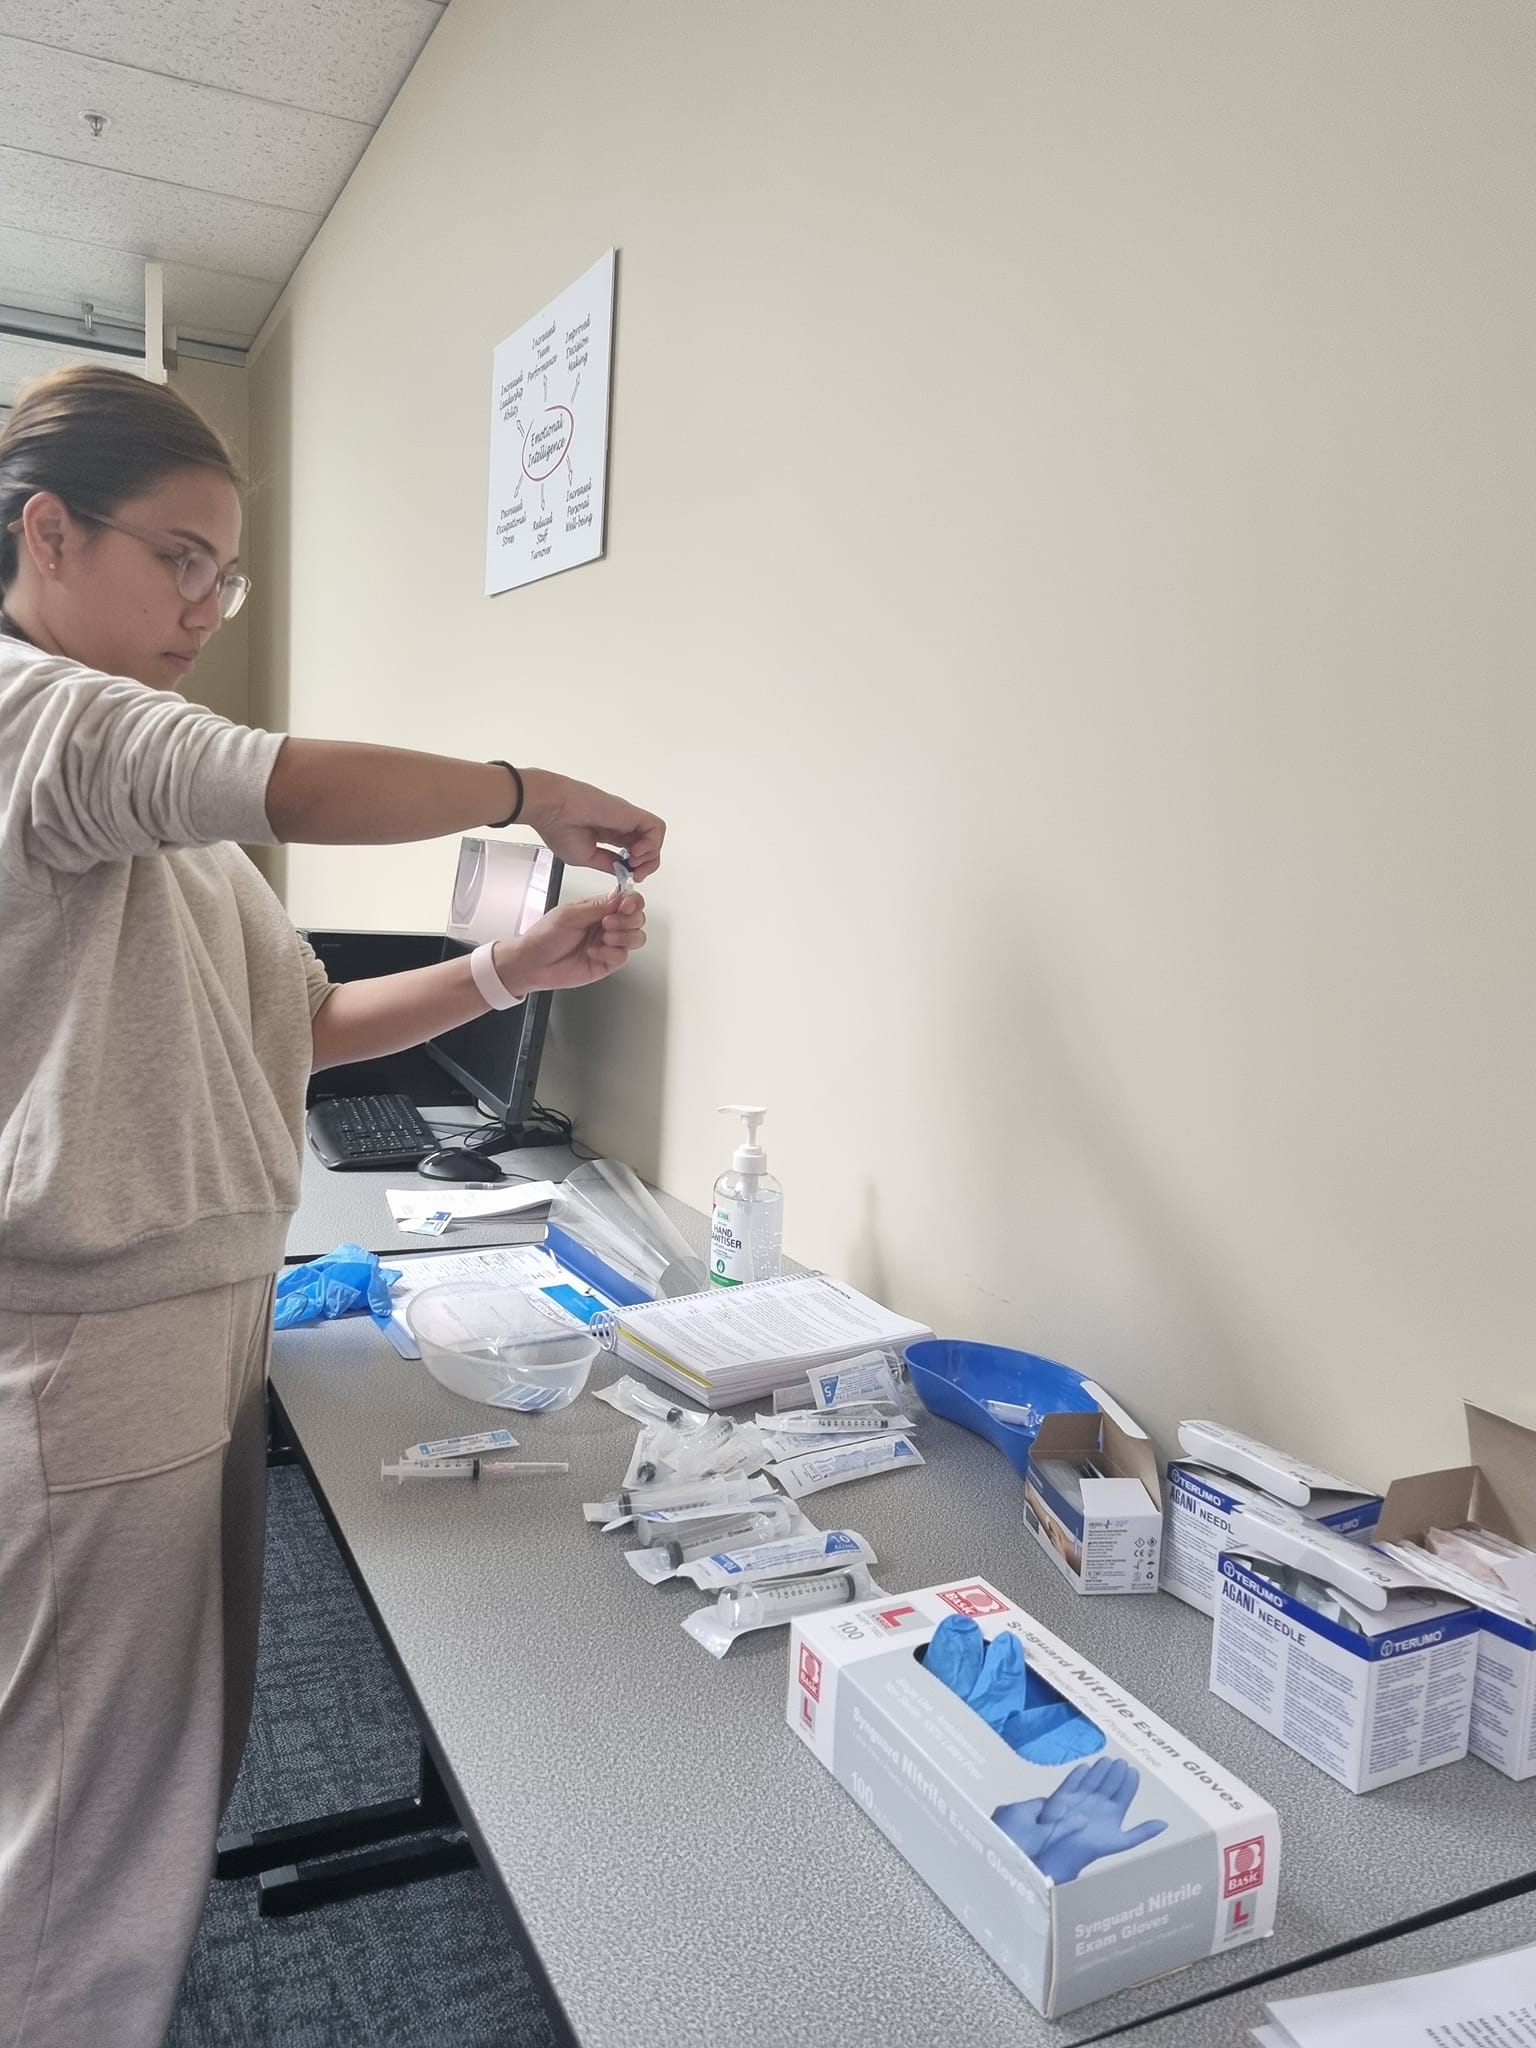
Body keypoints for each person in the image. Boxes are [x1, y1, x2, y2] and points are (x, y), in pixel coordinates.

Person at [0, 364, 663, 2048]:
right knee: (87, 1818)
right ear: (48, 536)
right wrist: (524, 788)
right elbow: (286, 781)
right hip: (95, 1341)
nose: (204, 609)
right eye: (181, 561)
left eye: (226, 579)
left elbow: (296, 1025)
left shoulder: (156, 811)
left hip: (188, 1316)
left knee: (156, 1760)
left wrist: (509, 968)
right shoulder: (41, 717)